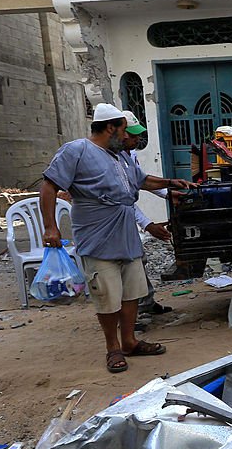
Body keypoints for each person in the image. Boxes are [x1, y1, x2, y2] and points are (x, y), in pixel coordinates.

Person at [39, 103, 196, 373]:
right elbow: (49, 186)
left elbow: (142, 180)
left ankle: (129, 341)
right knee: (107, 297)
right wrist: (50, 227)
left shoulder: (120, 156)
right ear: (110, 127)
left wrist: (171, 183)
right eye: (124, 130)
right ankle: (113, 348)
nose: (127, 137)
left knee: (131, 293)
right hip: (96, 237)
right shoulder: (77, 151)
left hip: (126, 236)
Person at [119, 111, 173, 320]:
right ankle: (135, 314)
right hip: (114, 222)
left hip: (125, 219)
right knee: (127, 264)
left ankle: (146, 301)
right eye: (132, 136)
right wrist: (148, 224)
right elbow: (125, 200)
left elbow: (142, 182)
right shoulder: (114, 159)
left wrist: (169, 193)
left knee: (138, 260)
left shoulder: (129, 155)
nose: (136, 140)